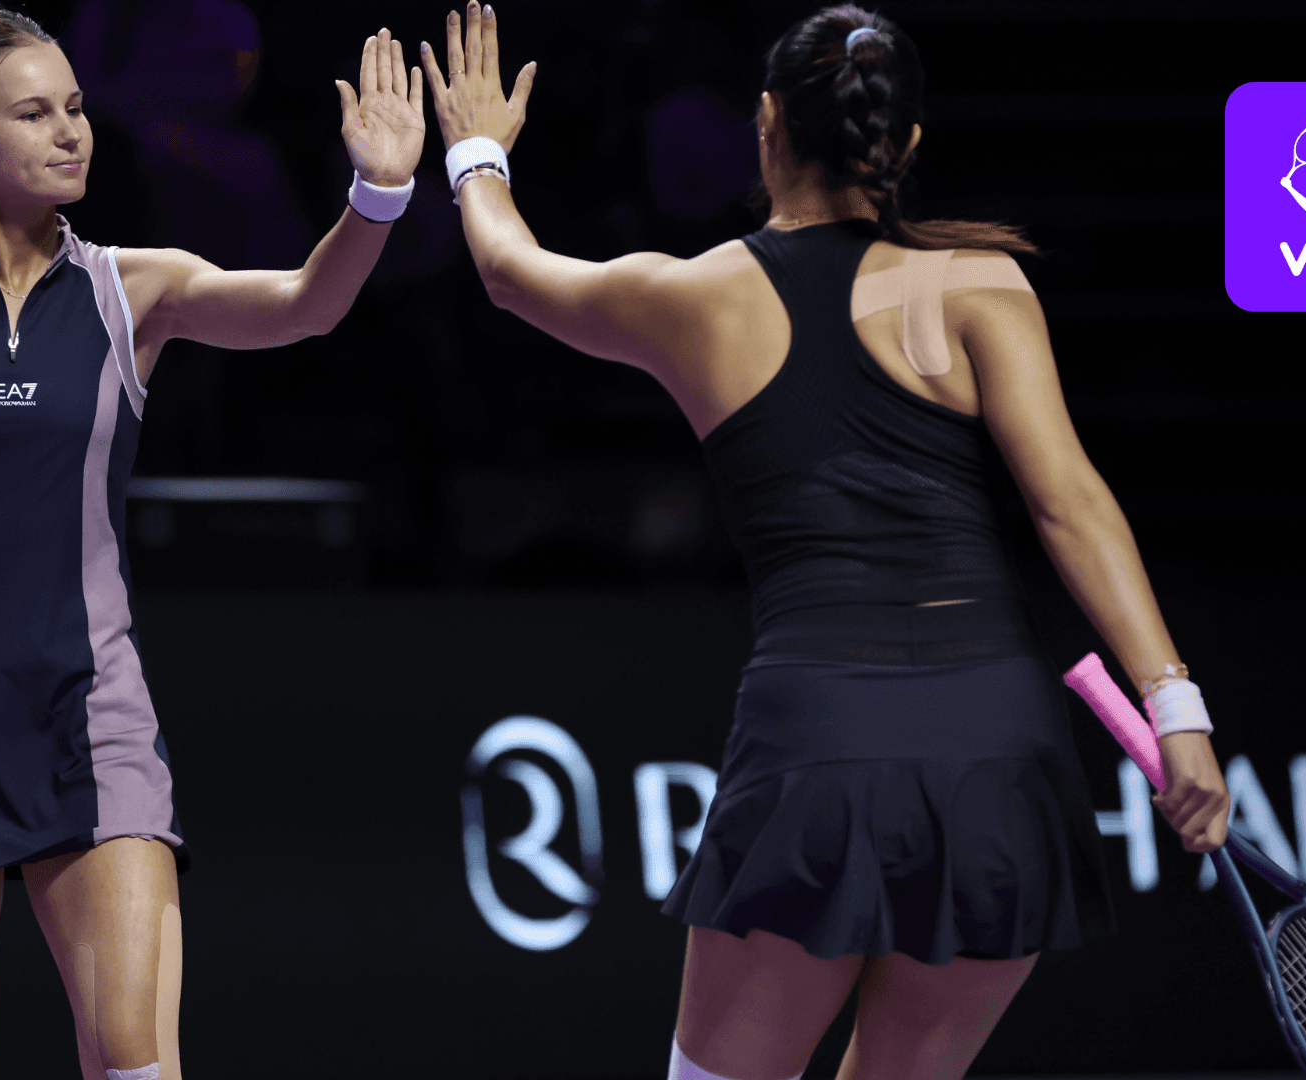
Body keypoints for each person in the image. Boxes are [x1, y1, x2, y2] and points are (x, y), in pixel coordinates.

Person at [420, 5, 1231, 1080]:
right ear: (907, 143)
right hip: (997, 752)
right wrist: (1176, 708)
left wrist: (477, 151)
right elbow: (1069, 503)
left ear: (766, 123)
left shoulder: (696, 296)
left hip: (820, 747)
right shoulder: (983, 282)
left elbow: (508, 270)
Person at [0, 9, 424, 1078]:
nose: (71, 131)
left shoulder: (132, 291)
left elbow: (306, 305)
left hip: (91, 728)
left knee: (134, 1062)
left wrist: (377, 193)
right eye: (33, 113)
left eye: (74, 106)